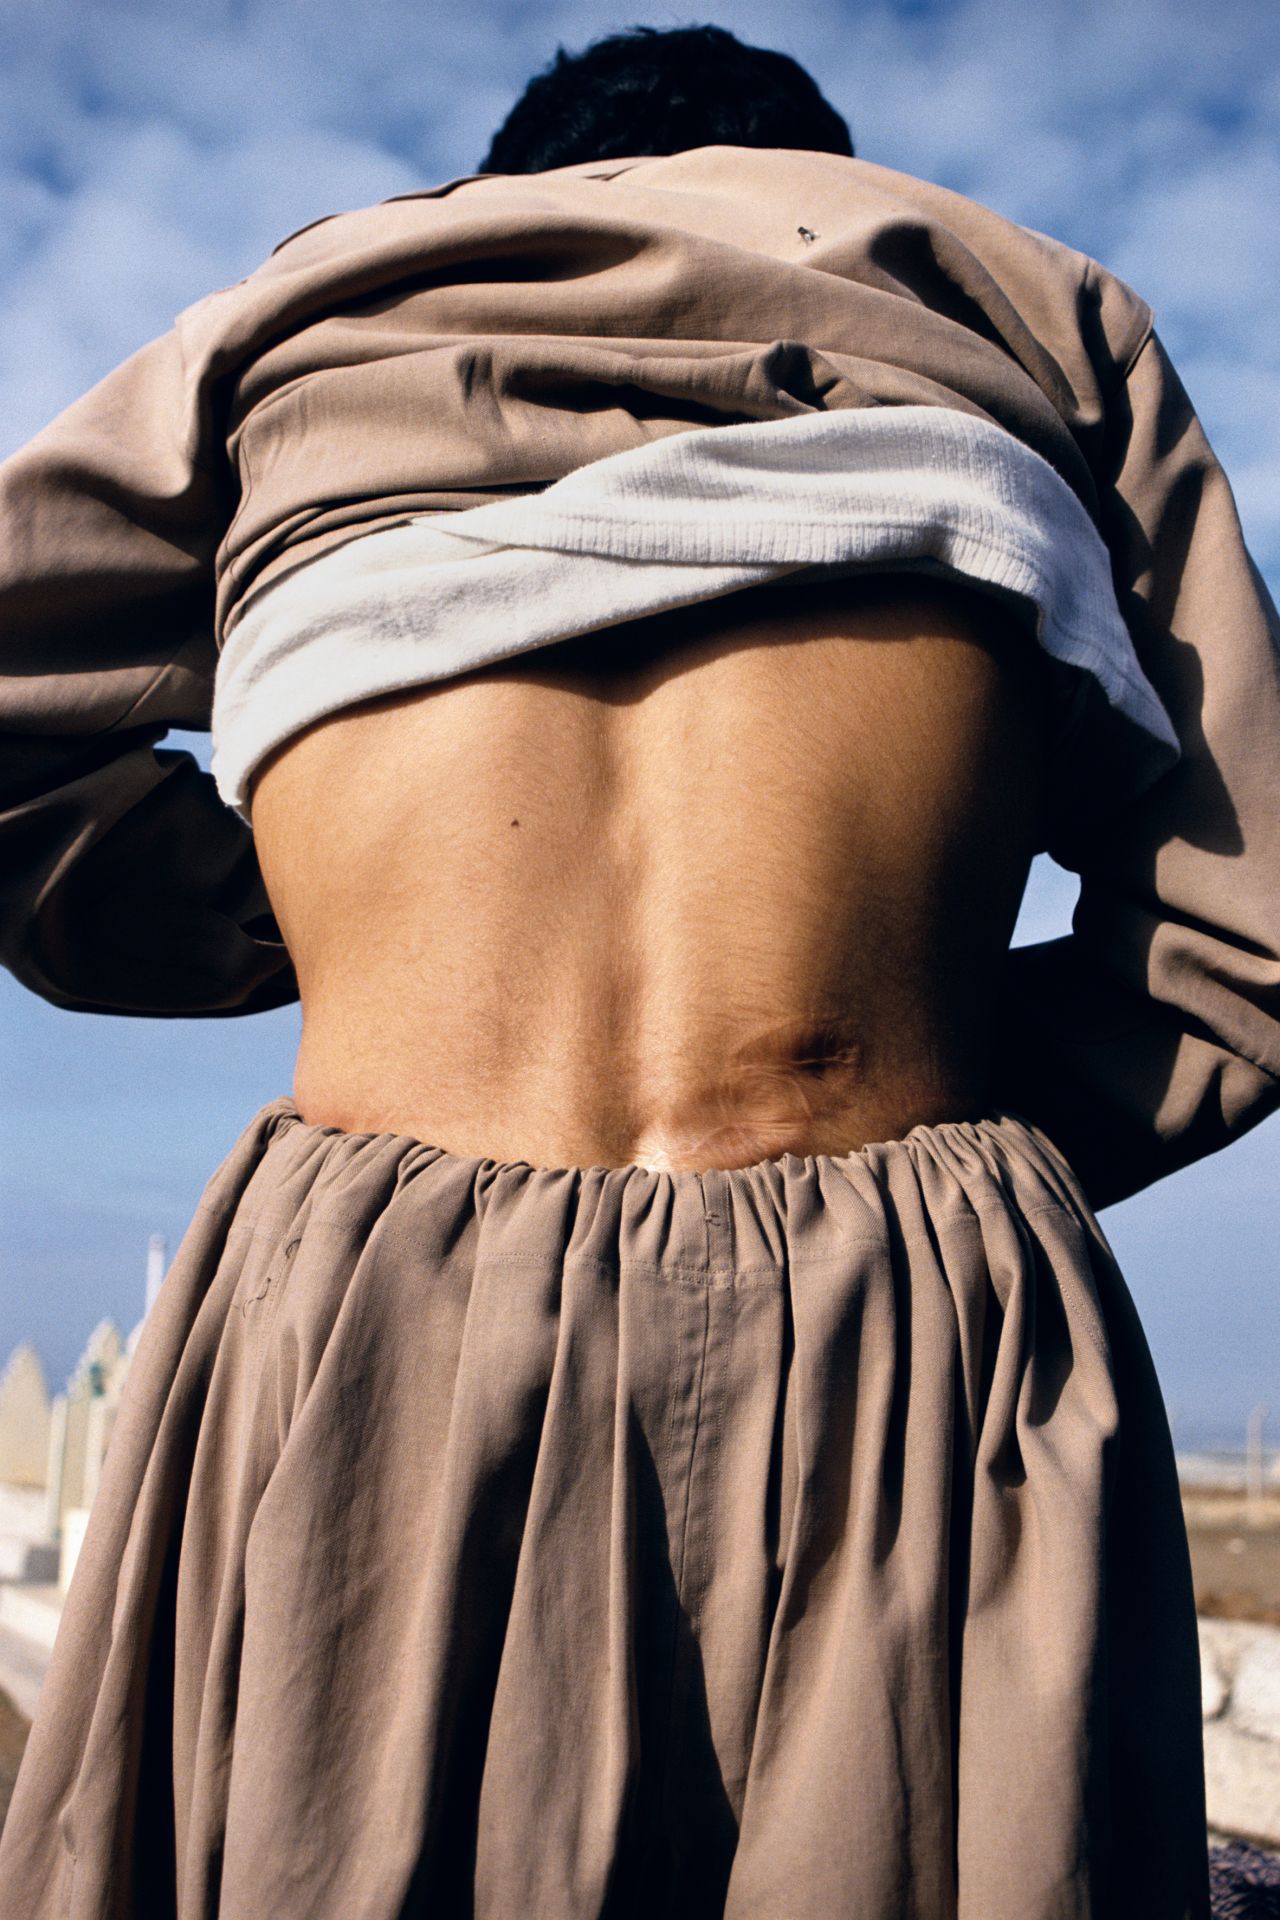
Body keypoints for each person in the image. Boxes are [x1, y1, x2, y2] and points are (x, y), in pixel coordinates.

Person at [0, 22, 1276, 1919]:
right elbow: (1241, 935)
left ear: (515, 178)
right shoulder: (1039, 313)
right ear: (822, 173)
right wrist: (925, 1130)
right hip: (903, 1313)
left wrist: (298, 913)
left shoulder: (280, 328)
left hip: (368, 1290)